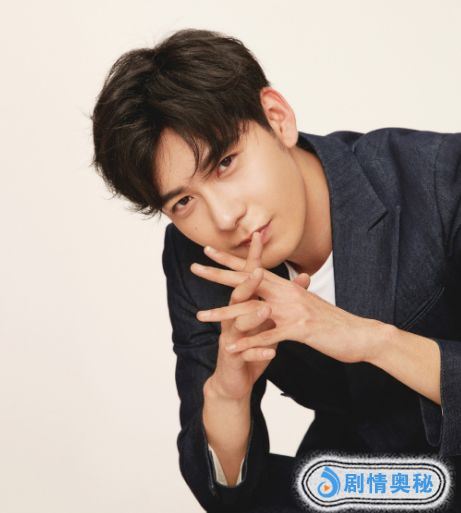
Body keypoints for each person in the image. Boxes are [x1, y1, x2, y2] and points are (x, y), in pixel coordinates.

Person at [91, 28, 461, 512]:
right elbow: (224, 492)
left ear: (277, 118)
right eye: (183, 202)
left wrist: (373, 340)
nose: (225, 217)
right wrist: (227, 395)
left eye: (225, 163)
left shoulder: (439, 178)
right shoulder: (198, 258)